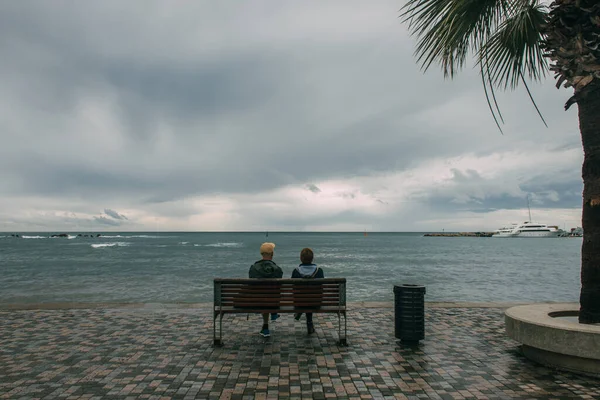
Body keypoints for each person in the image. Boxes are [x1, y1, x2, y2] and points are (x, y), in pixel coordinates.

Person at [249, 242, 283, 337]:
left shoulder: (253, 269)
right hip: (273, 301)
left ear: (261, 254)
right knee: (270, 295)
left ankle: (265, 326)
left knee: (263, 296)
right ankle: (273, 313)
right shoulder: (277, 270)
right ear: (272, 254)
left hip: (258, 301)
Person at [291, 247, 324, 334]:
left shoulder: (296, 271)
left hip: (299, 303)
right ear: (312, 258)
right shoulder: (319, 271)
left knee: (303, 296)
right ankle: (309, 323)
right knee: (310, 296)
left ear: (301, 258)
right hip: (316, 303)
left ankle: (301, 311)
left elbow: (292, 287)